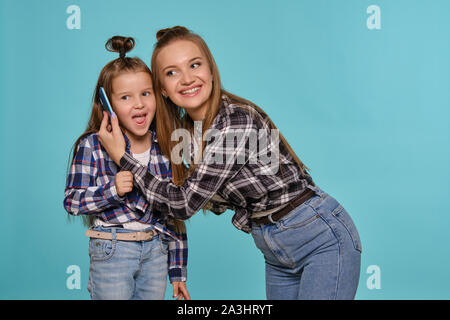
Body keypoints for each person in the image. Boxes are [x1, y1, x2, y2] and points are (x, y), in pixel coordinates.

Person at [98, 27, 362, 300]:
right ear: (162, 89)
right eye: (172, 72)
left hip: (319, 238)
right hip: (274, 248)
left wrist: (123, 158)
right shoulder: (189, 133)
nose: (187, 79)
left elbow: (183, 203)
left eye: (195, 65)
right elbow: (202, 194)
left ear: (211, 71)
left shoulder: (236, 121)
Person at [64, 35, 190, 300]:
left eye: (146, 93)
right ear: (107, 105)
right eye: (125, 97)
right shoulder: (92, 146)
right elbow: (72, 202)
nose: (139, 104)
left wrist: (177, 272)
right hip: (113, 249)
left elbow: (174, 213)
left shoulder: (165, 146)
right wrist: (112, 191)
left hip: (156, 250)